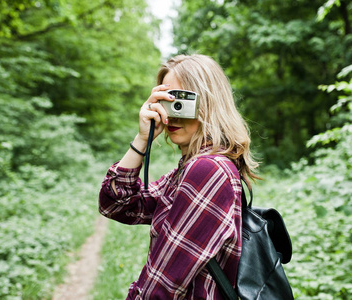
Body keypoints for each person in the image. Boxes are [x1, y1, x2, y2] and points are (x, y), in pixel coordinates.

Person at [99, 54, 260, 299]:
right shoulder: (189, 168)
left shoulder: (208, 171)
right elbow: (116, 204)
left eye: (183, 101)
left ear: (208, 104)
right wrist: (143, 138)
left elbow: (163, 286)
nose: (172, 113)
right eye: (167, 100)